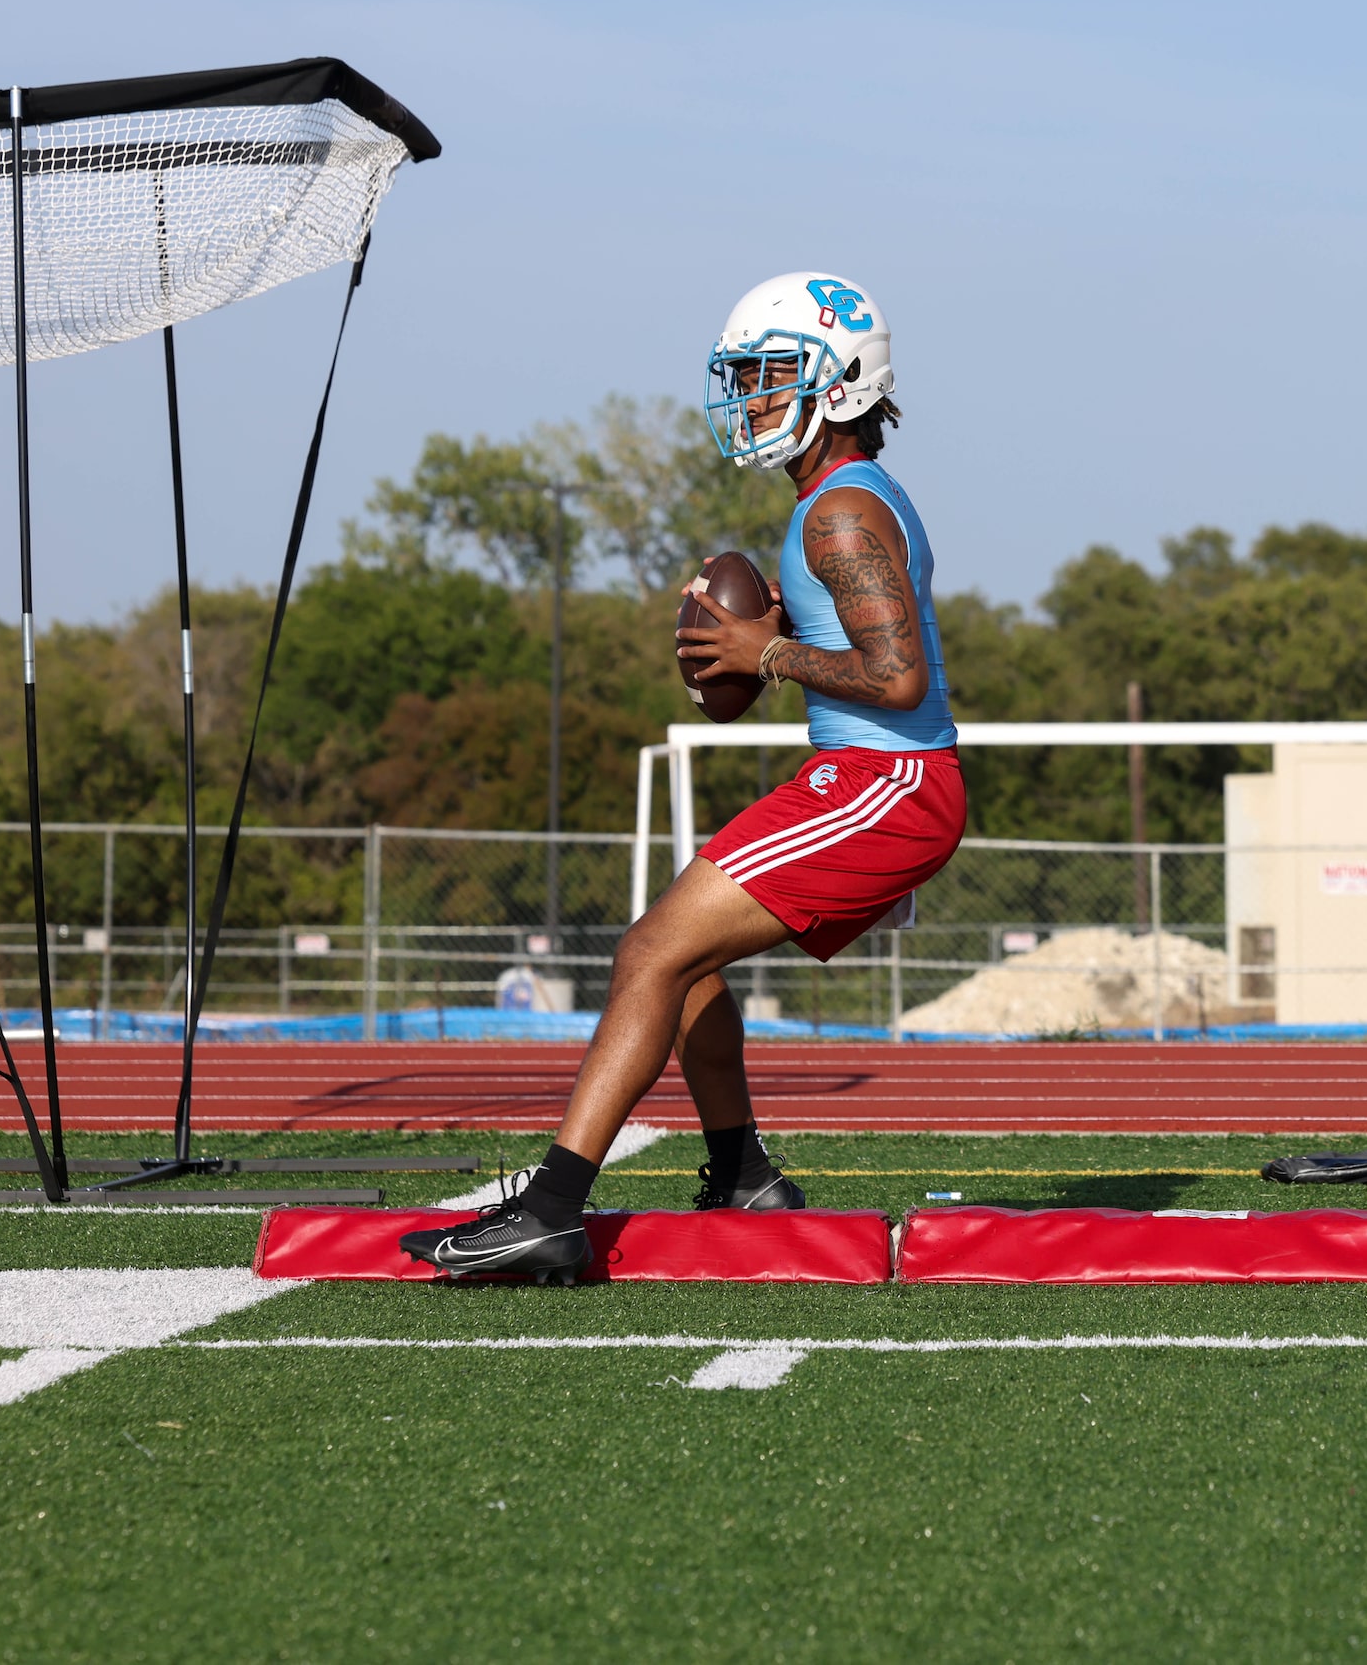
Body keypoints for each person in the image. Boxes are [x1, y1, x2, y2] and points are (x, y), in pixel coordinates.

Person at [402, 273, 962, 1281]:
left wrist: (765, 654)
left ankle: (549, 1211)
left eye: (771, 374)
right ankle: (741, 1172)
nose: (750, 397)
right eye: (745, 377)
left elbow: (897, 674)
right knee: (685, 963)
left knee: (649, 952)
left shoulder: (837, 513)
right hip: (875, 779)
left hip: (889, 784)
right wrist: (780, 630)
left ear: (838, 385)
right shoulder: (839, 505)